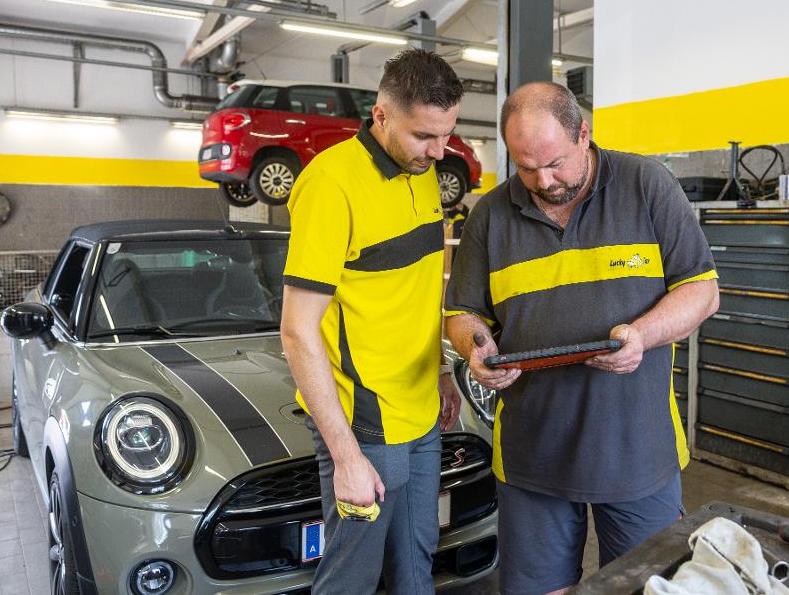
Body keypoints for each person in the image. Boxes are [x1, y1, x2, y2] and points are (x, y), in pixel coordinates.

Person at [445, 82, 720, 595]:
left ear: (584, 134)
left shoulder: (646, 185)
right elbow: (463, 313)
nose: (544, 181)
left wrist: (641, 335)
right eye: (526, 168)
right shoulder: (490, 214)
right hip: (532, 454)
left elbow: (702, 290)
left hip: (637, 451)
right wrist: (476, 347)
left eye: (555, 163)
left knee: (644, 587)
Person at [280, 48, 464, 594]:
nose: (438, 151)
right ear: (381, 116)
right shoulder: (330, 184)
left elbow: (418, 288)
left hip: (422, 412)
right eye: (424, 136)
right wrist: (346, 456)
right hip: (366, 424)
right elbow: (297, 330)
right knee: (352, 578)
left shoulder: (424, 171)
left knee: (416, 562)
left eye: (447, 135)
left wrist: (442, 370)